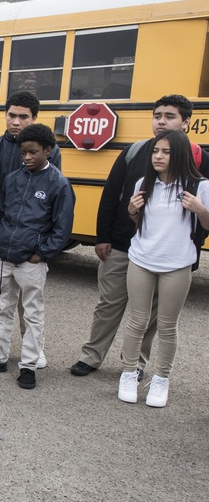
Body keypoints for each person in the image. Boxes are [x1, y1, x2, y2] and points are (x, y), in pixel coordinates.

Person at [71, 95, 209, 377]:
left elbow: (201, 212)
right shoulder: (135, 151)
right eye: (157, 115)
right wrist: (102, 236)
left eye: (169, 116)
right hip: (123, 244)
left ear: (186, 122)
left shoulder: (201, 160)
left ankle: (135, 364)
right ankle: (92, 356)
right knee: (109, 303)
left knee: (152, 315)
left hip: (169, 254)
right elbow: (111, 193)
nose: (161, 121)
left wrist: (193, 249)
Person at [0, 124, 74, 389]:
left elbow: (62, 228)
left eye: (33, 152)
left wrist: (41, 254)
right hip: (4, 255)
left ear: (48, 151)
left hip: (31, 260)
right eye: (23, 152)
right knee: (2, 307)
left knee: (32, 313)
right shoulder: (12, 178)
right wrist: (0, 240)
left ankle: (28, 365)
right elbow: (2, 214)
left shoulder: (58, 184)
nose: (26, 157)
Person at [116, 130, 209, 407]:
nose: (158, 156)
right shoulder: (144, 183)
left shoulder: (199, 186)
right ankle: (129, 373)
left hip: (177, 264)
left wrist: (200, 209)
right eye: (156, 150)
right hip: (141, 260)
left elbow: (207, 225)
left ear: (178, 154)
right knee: (137, 321)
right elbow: (139, 223)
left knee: (168, 326)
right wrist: (132, 211)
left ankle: (161, 379)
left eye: (166, 152)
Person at [0, 91, 62, 362]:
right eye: (11, 115)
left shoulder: (50, 151)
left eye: (23, 117)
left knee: (29, 299)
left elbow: (48, 198)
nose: (16, 122)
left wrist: (40, 245)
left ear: (34, 118)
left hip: (29, 240)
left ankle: (32, 350)